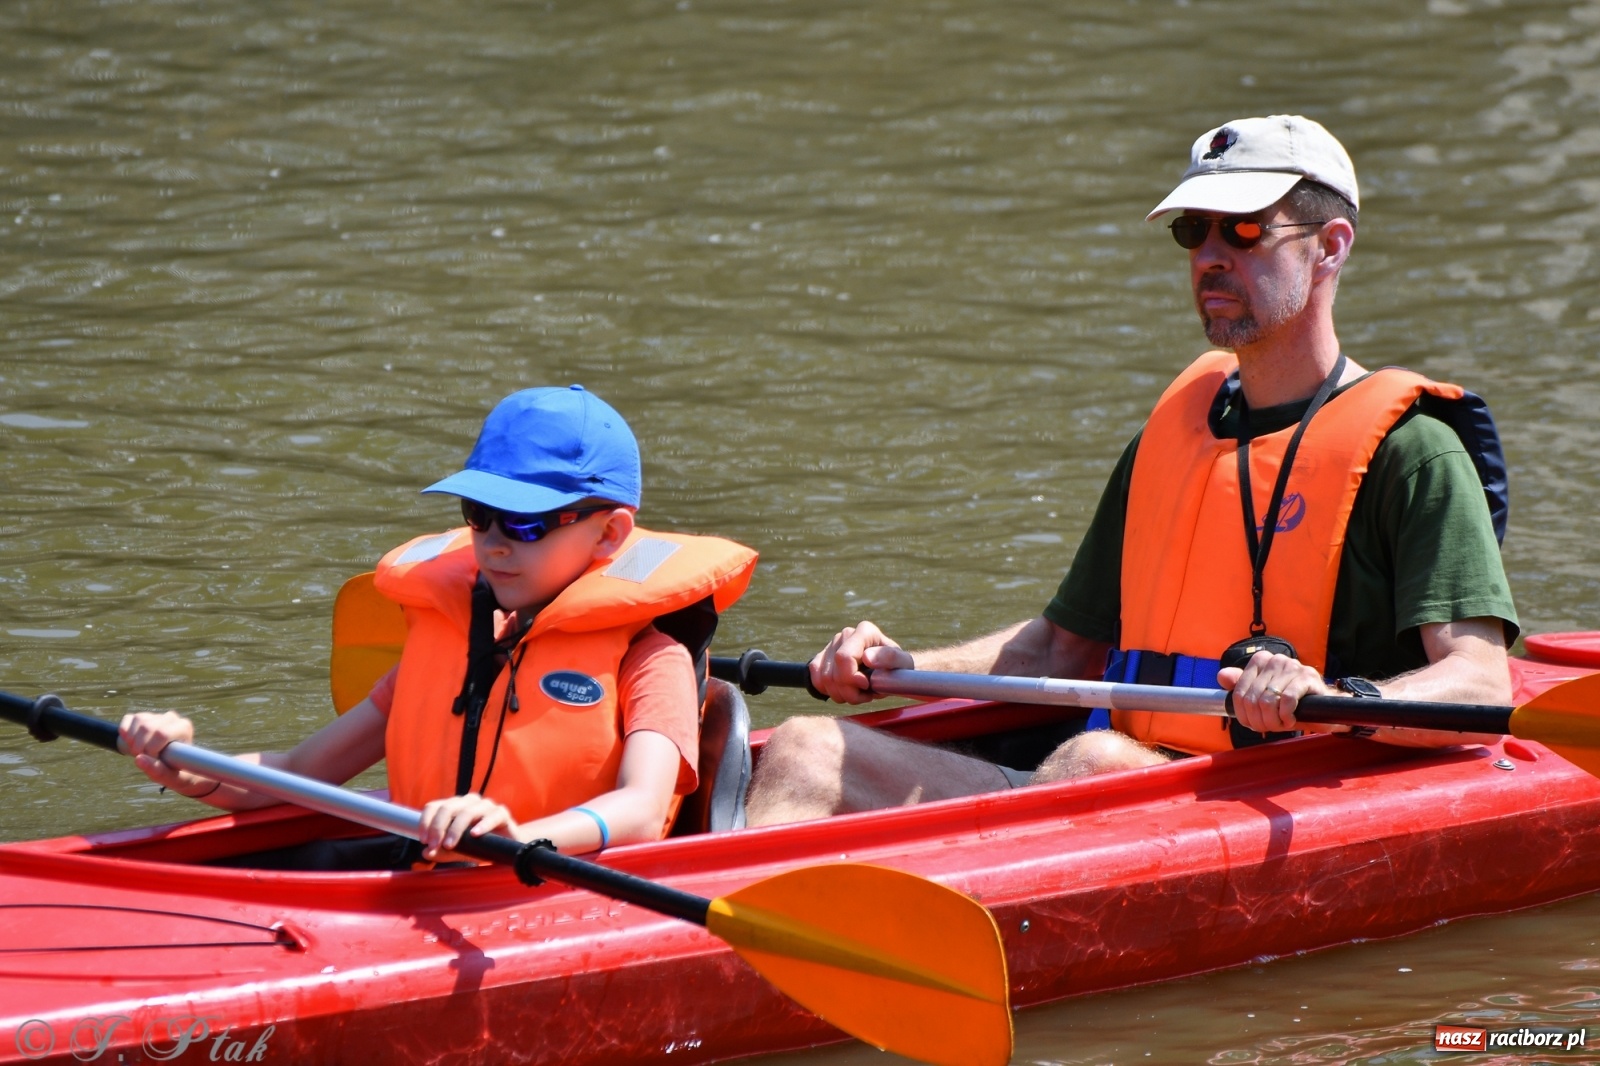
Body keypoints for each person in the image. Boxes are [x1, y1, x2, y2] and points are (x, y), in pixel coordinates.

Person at [745, 114, 1516, 827]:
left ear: (1331, 245)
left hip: (1274, 799)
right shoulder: (1174, 436)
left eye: (1245, 230)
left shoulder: (1415, 454)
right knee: (808, 747)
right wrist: (909, 666)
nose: (1211, 255)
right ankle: (730, 952)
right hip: (1109, 785)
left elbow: (1480, 681)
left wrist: (1334, 697)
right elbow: (1059, 650)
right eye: (1194, 230)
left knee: (1095, 757)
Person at [122, 385, 758, 866]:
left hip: (551, 888)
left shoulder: (651, 659)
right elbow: (295, 772)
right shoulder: (463, 640)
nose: (495, 544)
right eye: (479, 514)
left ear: (610, 532)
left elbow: (644, 812)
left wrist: (521, 835)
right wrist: (184, 764)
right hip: (423, 876)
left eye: (527, 523)